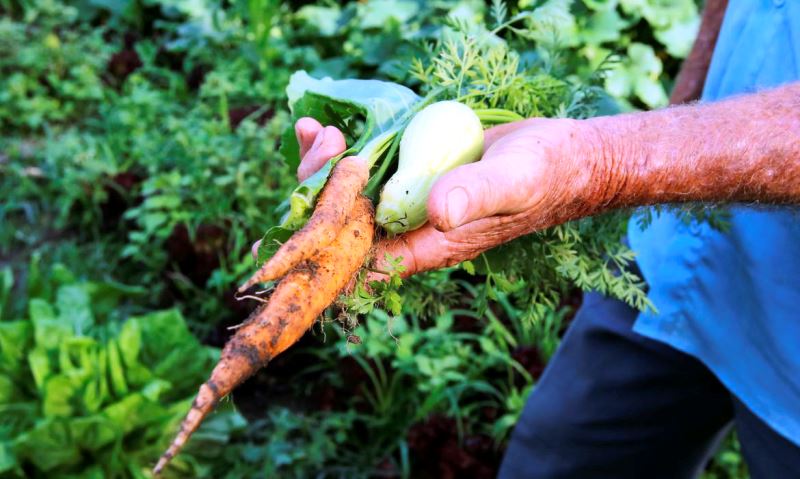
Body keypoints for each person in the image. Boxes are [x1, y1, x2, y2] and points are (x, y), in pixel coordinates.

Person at [263, 0, 800, 476]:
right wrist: (675, 123)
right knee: (560, 452)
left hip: (789, 347)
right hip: (667, 261)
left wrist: (606, 163)